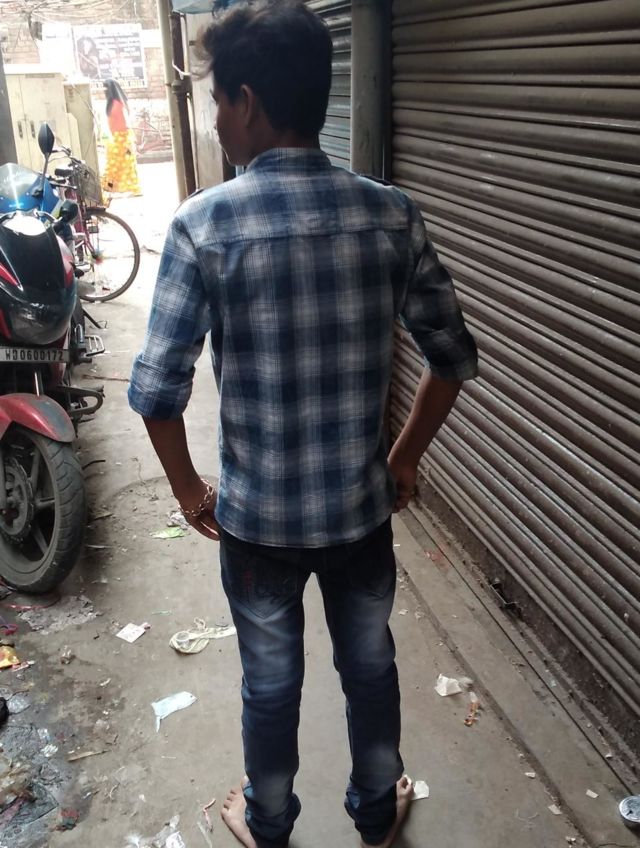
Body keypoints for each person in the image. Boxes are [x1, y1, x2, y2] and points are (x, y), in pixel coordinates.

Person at [128, 2, 478, 847]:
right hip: (359, 515)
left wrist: (191, 492)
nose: (214, 121)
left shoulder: (203, 226)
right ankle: (375, 813)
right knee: (371, 666)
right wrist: (403, 458)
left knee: (270, 683)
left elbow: (157, 392)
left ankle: (269, 824)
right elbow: (453, 358)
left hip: (256, 525)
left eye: (217, 102)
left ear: (247, 102)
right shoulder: (392, 214)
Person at [101, 79, 141, 195]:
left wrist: (129, 141)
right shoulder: (111, 104)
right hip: (114, 139)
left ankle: (134, 188)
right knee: (113, 164)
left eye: (106, 88)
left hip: (123, 139)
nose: (104, 91)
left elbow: (126, 122)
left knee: (127, 164)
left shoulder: (118, 104)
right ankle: (110, 187)